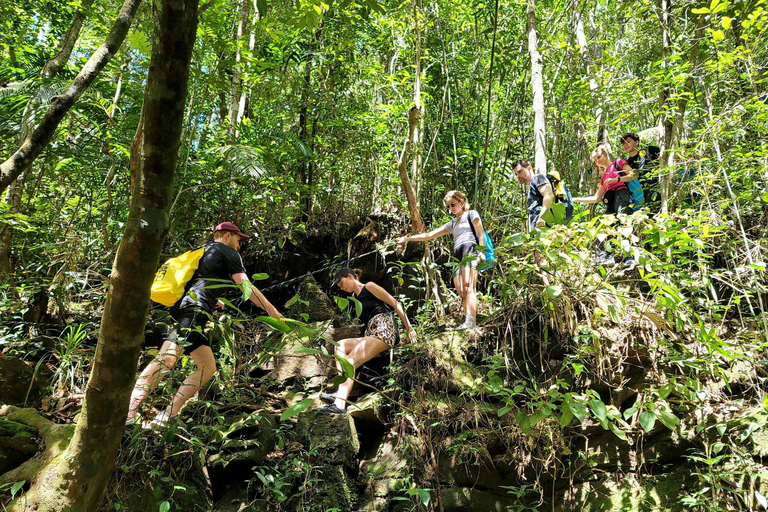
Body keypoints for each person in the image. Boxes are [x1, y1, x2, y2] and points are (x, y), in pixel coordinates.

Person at [127, 221, 281, 428]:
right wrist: (273, 312)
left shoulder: (203, 251)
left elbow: (196, 281)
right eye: (238, 239)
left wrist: (213, 300)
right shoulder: (227, 252)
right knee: (166, 360)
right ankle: (128, 412)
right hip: (194, 311)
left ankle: (166, 416)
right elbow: (246, 286)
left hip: (186, 309)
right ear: (227, 236)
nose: (239, 245)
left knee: (207, 367)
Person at [320, 267, 416, 414]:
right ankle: (342, 391)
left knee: (349, 362)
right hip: (370, 334)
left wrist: (409, 329)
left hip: (384, 330)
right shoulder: (354, 299)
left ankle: (339, 405)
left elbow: (396, 303)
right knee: (340, 345)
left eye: (341, 282)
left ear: (351, 276)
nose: (342, 287)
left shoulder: (369, 286)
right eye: (339, 286)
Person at [396, 191, 485, 329]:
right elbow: (429, 235)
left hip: (469, 248)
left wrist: (481, 252)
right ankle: (466, 320)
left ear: (461, 201)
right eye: (448, 206)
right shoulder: (452, 223)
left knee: (468, 286)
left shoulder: (471, 214)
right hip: (457, 254)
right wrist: (408, 238)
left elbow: (480, 233)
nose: (451, 208)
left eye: (453, 204)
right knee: (461, 291)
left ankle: (471, 321)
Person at [573, 146, 638, 265]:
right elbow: (596, 198)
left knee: (623, 221)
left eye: (599, 157)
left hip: (622, 194)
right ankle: (605, 257)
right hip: (611, 199)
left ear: (606, 155)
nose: (598, 161)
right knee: (602, 225)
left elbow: (633, 175)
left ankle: (629, 257)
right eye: (595, 160)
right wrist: (575, 199)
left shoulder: (617, 163)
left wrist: (617, 179)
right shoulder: (604, 177)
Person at [621, 133, 661, 210]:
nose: (625, 145)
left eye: (628, 142)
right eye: (623, 143)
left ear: (637, 142)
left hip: (657, 189)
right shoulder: (627, 164)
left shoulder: (649, 151)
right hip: (640, 197)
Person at [513, 159, 556, 231]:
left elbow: (548, 195)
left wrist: (542, 217)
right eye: (516, 174)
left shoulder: (538, 178)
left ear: (529, 168)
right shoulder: (532, 185)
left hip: (543, 226)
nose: (518, 176)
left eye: (520, 172)